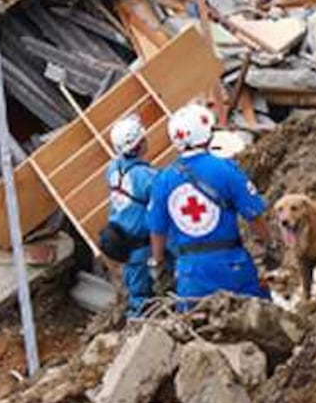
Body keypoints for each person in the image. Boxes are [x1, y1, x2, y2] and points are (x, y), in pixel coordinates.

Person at [148, 104, 277, 305]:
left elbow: (157, 230)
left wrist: (158, 264)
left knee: (193, 329)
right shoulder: (226, 170)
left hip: (190, 274)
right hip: (232, 267)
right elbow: (254, 216)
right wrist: (271, 245)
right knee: (261, 318)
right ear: (207, 134)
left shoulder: (162, 180)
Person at [105, 115, 159, 317]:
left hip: (120, 238)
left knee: (133, 280)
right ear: (139, 145)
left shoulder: (112, 168)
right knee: (140, 292)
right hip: (139, 243)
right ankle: (138, 324)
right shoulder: (145, 177)